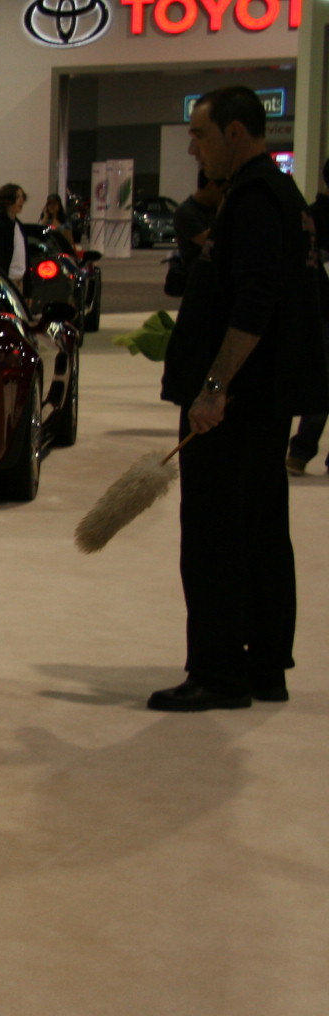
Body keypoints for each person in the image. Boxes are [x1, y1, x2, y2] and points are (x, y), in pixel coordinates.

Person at [152, 86, 325, 711]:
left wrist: (215, 387)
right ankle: (264, 664)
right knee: (259, 530)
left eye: (199, 134)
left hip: (239, 401)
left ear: (234, 131)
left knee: (215, 535)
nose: (193, 149)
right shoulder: (281, 196)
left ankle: (219, 671)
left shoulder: (254, 199)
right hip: (263, 399)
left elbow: (256, 300)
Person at [286, 157, 329, 475]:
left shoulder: (311, 215)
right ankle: (300, 451)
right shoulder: (315, 216)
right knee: (323, 382)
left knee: (322, 381)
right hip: (323, 311)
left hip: (319, 308)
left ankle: (300, 453)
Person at [0, 183, 31, 282]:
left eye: (22, 197)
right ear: (7, 201)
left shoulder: (18, 226)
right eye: (17, 197)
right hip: (7, 281)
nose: (21, 200)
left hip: (20, 280)